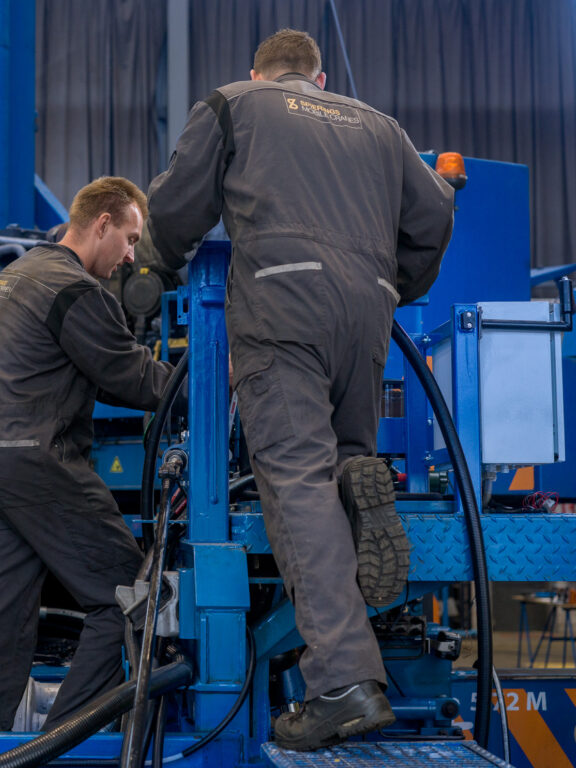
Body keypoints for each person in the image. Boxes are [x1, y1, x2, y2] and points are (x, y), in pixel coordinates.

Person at [147, 29, 453, 750]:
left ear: (259, 73)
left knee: (296, 480)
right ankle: (359, 487)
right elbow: (437, 215)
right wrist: (395, 285)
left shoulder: (235, 102)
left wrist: (154, 268)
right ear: (319, 80)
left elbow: (175, 209)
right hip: (367, 313)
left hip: (283, 308)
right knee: (343, 456)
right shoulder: (381, 126)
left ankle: (343, 684)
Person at [0, 177, 177, 732]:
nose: (131, 257)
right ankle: (62, 743)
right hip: (35, 465)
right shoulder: (74, 289)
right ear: (102, 223)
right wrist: (217, 378)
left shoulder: (15, 275)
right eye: (129, 239)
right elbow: (134, 378)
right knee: (132, 597)